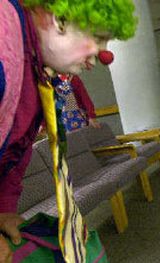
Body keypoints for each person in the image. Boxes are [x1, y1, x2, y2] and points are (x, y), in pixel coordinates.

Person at [0, 0, 137, 260]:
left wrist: (4, 205)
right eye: (97, 38)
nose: (100, 57)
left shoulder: (37, 70)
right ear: (58, 18)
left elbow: (15, 150)